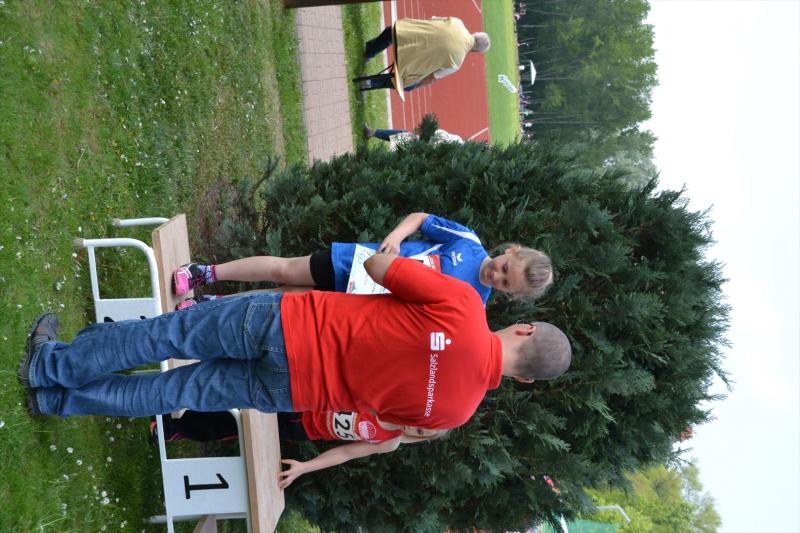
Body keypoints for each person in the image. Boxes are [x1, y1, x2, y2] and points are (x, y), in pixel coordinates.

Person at [19, 253, 572, 429]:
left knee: (167, 334)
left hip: (292, 324)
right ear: (524, 379)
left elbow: (380, 267)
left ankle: (50, 367)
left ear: (524, 328)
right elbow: (378, 412)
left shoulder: (465, 306)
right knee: (174, 392)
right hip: (295, 391)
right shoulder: (455, 414)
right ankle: (59, 401)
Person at [172, 212, 554, 307]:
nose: (497, 276)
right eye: (505, 268)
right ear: (510, 251)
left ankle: (209, 305)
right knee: (283, 269)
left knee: (279, 299)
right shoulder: (468, 241)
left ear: (509, 294)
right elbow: (421, 219)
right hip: (356, 262)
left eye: (506, 284)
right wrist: (396, 237)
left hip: (360, 301)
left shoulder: (473, 304)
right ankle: (205, 272)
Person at [150, 410, 446, 488]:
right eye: (420, 423)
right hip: (299, 396)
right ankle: (171, 403)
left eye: (420, 432)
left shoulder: (389, 442)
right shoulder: (389, 398)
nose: (413, 428)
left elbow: (346, 453)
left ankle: (174, 429)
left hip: (302, 428)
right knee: (236, 398)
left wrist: (304, 468)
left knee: (233, 426)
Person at [358, 17, 490, 92]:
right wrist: (415, 85)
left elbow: (432, 20)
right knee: (407, 85)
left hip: (407, 38)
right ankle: (368, 82)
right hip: (408, 65)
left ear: (475, 34)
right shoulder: (457, 63)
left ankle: (368, 53)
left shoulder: (457, 22)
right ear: (475, 52)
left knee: (391, 32)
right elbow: (432, 78)